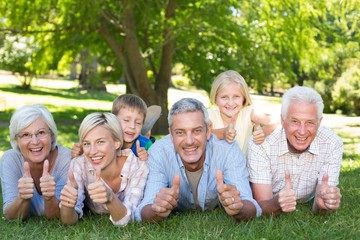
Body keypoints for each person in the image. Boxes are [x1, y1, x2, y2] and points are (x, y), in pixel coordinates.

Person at [135, 98, 261, 223]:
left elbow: (249, 204)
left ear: (208, 130)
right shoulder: (158, 152)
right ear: (171, 135)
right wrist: (156, 209)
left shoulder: (228, 150)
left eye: (197, 131)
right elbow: (145, 208)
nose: (189, 141)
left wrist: (238, 207)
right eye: (180, 132)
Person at [247, 86, 343, 216]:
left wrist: (322, 204)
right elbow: (262, 204)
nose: (302, 131)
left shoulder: (332, 143)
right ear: (282, 120)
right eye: (295, 121)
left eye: (310, 122)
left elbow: (323, 196)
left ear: (319, 123)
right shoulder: (261, 145)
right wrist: (276, 203)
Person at [60, 112, 149, 226]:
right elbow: (68, 221)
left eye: (100, 142)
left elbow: (128, 218)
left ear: (117, 143)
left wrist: (110, 198)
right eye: (87, 144)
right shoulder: (79, 164)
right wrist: (68, 205)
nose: (92, 152)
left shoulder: (137, 167)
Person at [0, 104, 71, 220]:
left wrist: (50, 198)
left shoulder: (67, 160)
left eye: (41, 132)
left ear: (52, 135)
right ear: (16, 140)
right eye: (26, 135)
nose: (35, 141)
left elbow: (62, 216)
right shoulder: (10, 160)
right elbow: (10, 216)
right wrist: (22, 197)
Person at [208, 70, 277, 157]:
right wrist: (221, 133)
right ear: (215, 98)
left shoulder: (248, 113)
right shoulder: (210, 115)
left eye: (236, 96)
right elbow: (199, 134)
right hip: (215, 168)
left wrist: (263, 132)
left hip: (242, 169)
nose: (230, 103)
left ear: (243, 98)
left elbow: (277, 120)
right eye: (224, 97)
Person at [71, 94, 159, 161]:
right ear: (113, 118)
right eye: (126, 120)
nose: (132, 126)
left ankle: (146, 131)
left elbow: (156, 169)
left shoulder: (146, 145)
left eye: (138, 123)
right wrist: (77, 155)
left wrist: (146, 160)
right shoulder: (102, 138)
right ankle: (145, 130)